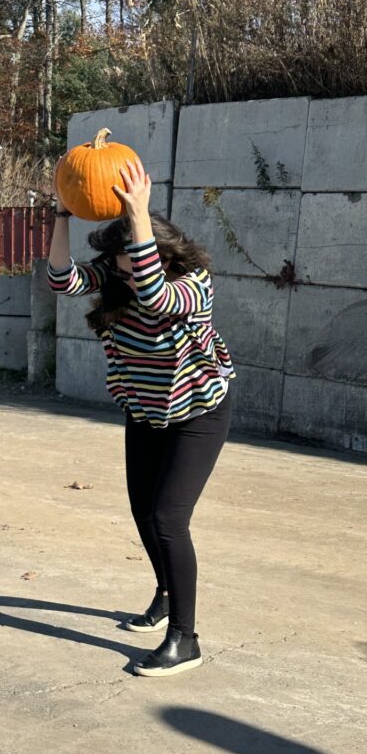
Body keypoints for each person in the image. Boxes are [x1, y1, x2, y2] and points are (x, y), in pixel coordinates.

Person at [48, 159, 234, 676]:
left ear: (157, 252)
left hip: (198, 413)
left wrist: (137, 213)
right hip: (145, 411)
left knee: (170, 518)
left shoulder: (192, 285)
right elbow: (61, 279)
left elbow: (156, 295)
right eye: (119, 260)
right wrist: (63, 214)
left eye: (130, 256)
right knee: (143, 513)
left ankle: (185, 637)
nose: (122, 269)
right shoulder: (121, 275)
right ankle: (165, 592)